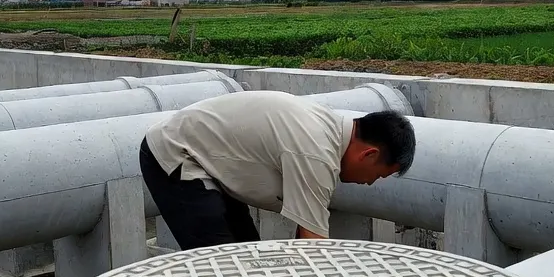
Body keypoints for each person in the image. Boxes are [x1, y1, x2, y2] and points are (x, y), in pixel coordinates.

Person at [139, 90, 415, 250]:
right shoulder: (316, 151)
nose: (369, 183)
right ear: (369, 154)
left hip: (209, 163)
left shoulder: (326, 132)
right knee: (222, 268)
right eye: (378, 175)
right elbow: (312, 247)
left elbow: (305, 241)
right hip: (177, 153)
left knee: (248, 256)